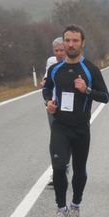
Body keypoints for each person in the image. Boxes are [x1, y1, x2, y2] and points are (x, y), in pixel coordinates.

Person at [42, 24, 109, 217]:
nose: (70, 45)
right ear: (63, 42)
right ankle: (61, 209)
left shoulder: (90, 70)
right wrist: (49, 103)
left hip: (81, 128)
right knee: (59, 168)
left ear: (82, 43)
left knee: (80, 171)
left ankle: (75, 205)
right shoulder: (55, 69)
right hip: (60, 126)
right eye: (67, 41)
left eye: (75, 41)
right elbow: (47, 89)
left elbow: (105, 97)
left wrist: (86, 89)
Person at [41, 37, 66, 186]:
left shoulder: (73, 62)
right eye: (56, 50)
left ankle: (66, 166)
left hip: (69, 107)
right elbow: (47, 81)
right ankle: (57, 172)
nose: (59, 53)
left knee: (67, 140)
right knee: (55, 140)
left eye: (61, 50)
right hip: (53, 105)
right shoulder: (51, 62)